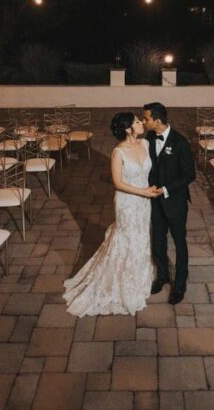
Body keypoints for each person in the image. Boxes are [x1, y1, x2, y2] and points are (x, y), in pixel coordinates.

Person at [63, 111, 162, 316]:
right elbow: (118, 183)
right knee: (126, 237)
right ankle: (122, 283)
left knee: (142, 235)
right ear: (128, 129)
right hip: (128, 202)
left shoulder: (145, 144)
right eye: (136, 122)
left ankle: (138, 276)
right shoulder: (119, 152)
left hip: (145, 203)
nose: (141, 123)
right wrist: (143, 191)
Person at [142, 102, 196, 305]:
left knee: (180, 244)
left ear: (157, 120)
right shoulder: (149, 137)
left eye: (146, 118)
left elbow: (189, 175)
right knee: (158, 241)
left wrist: (165, 190)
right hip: (155, 203)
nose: (143, 121)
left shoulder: (181, 142)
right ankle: (163, 275)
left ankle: (180, 285)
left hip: (175, 203)